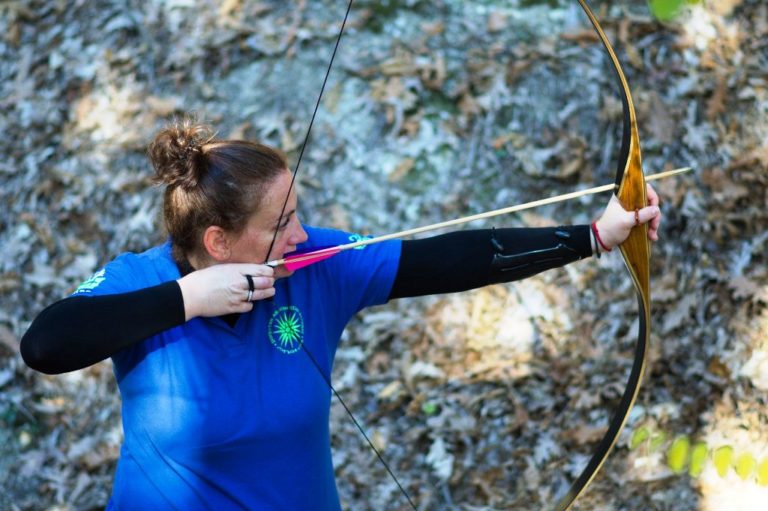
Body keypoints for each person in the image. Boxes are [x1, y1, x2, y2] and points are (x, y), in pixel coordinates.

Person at [20, 118, 661, 510]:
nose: (302, 233)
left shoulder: (314, 263)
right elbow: (45, 345)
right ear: (218, 242)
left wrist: (594, 236)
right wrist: (188, 300)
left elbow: (448, 258)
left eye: (298, 210)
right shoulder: (140, 282)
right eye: (282, 223)